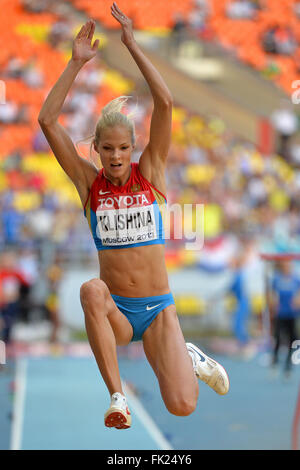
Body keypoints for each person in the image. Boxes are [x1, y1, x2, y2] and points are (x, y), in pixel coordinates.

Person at [38, 2, 229, 430]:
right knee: (90, 289)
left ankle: (189, 355)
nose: (116, 156)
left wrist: (132, 45)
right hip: (119, 313)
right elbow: (47, 120)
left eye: (124, 148)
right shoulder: (90, 186)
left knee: (183, 406)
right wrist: (75, 63)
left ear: (133, 148)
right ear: (98, 151)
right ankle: (117, 397)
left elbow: (164, 101)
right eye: (107, 149)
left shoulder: (152, 175)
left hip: (159, 309)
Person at [269, 260, 300, 378]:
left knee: (292, 340)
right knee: (277, 338)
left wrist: (297, 301)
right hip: (280, 314)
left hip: (292, 314)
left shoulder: (296, 280)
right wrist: (273, 304)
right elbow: (272, 294)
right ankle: (275, 362)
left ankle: (288, 366)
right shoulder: (277, 279)